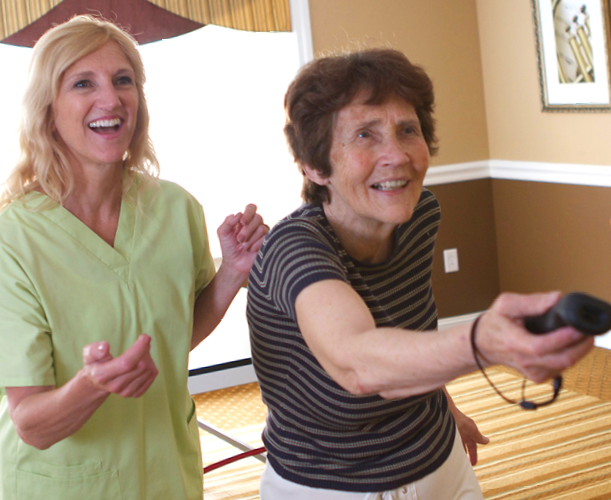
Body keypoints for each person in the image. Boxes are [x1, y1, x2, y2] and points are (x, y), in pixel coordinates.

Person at [246, 48, 594, 499]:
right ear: (315, 167)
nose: (397, 155)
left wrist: (447, 411)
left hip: (439, 460)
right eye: (365, 135)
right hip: (334, 487)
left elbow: (408, 330)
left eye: (407, 130)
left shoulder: (418, 215)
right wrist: (481, 342)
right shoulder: (294, 250)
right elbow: (359, 363)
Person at [0, 15, 266, 500]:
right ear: (47, 109)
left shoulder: (175, 209)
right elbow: (31, 425)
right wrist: (93, 385)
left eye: (123, 80)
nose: (110, 100)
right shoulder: (12, 243)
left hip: (168, 473)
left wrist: (232, 274)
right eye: (83, 83)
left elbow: (170, 335)